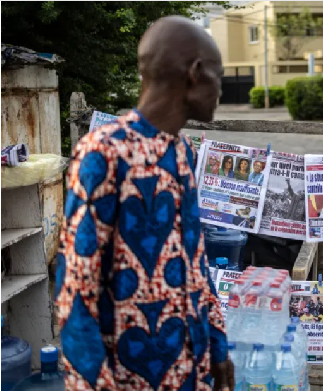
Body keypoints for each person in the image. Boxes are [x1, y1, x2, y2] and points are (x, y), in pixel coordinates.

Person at [54, 16, 234, 390]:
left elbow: (195, 261)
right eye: (219, 76)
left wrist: (217, 347)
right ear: (195, 73)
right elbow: (75, 294)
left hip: (191, 373)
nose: (221, 90)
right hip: (127, 380)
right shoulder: (104, 152)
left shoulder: (181, 151)